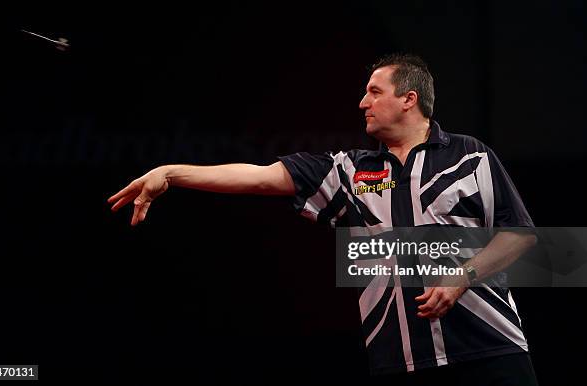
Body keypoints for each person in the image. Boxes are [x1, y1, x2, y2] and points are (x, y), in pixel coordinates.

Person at [108, 54, 539, 385]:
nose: (362, 102)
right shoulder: (349, 170)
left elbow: (519, 236)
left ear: (409, 99)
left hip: (492, 351)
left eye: (374, 91)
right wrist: (172, 173)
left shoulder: (471, 156)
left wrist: (461, 276)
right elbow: (259, 178)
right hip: (398, 361)